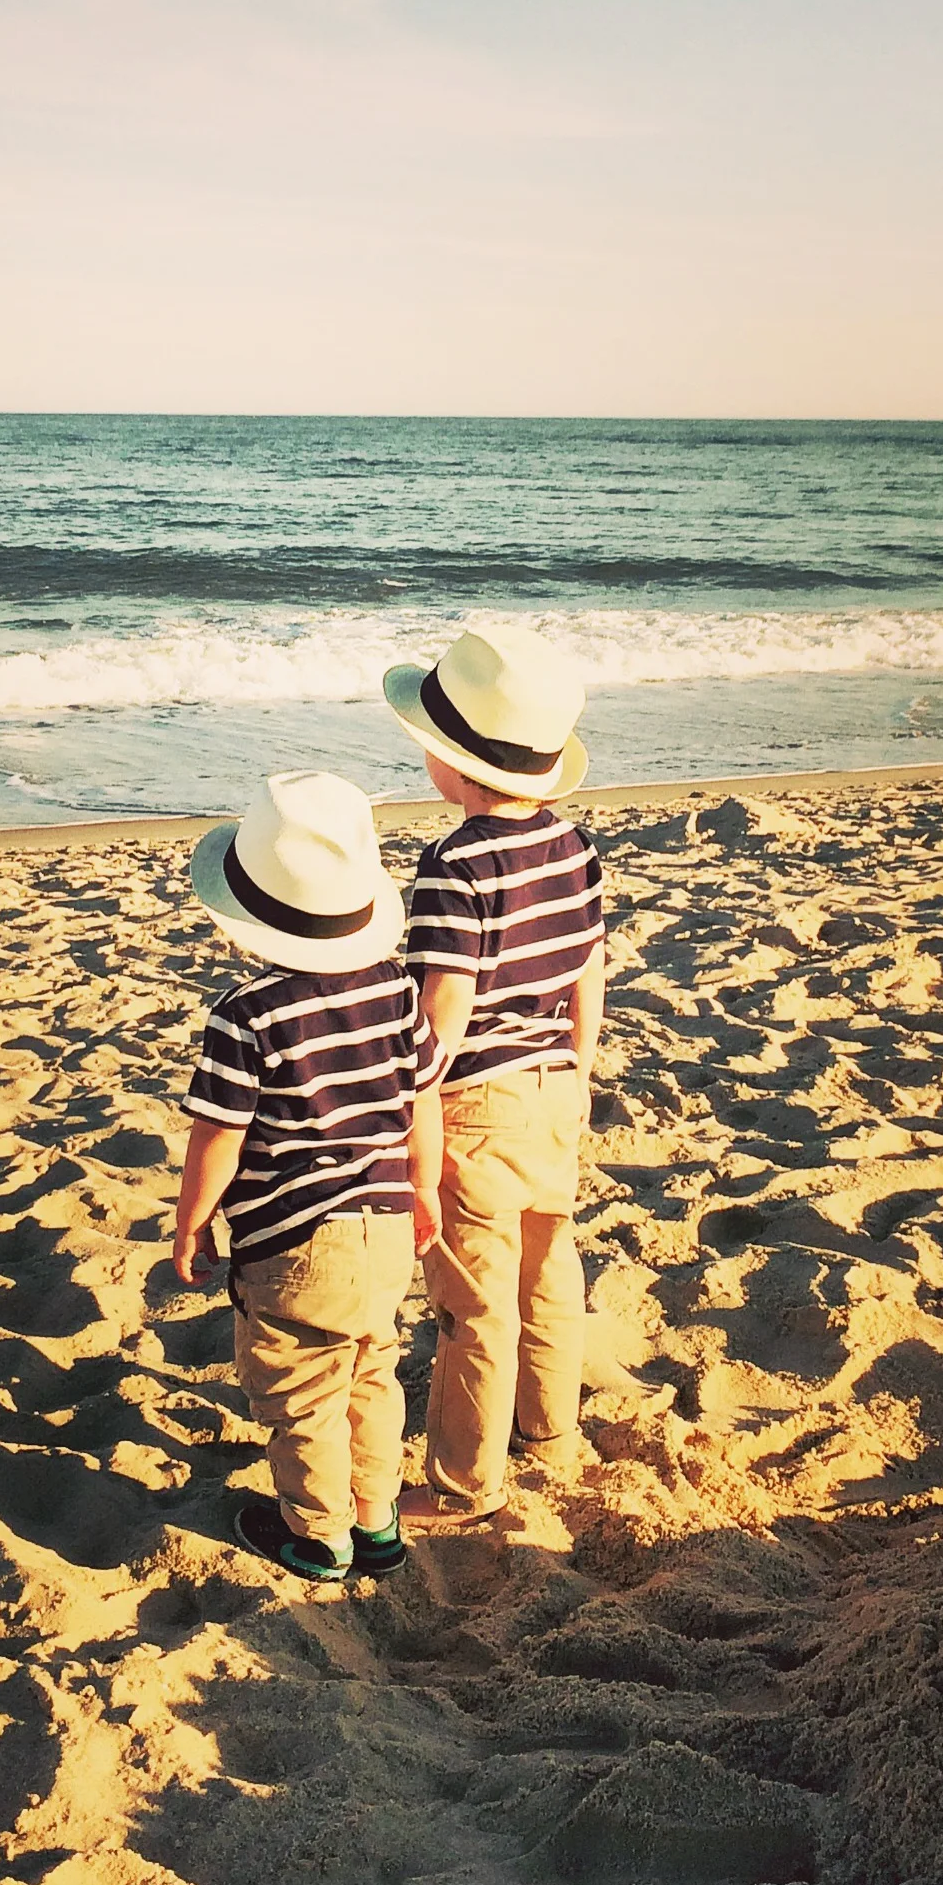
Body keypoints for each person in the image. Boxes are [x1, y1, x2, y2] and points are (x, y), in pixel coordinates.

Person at [171, 770, 445, 1583]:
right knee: (370, 1367)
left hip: (294, 1242)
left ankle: (319, 1537)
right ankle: (379, 1522)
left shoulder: (244, 1012)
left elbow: (217, 1135)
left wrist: (192, 1220)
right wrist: (422, 1186)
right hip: (387, 1222)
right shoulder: (395, 989)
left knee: (300, 1391)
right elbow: (420, 1098)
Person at [382, 624, 603, 1530]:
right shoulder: (574, 845)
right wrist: (578, 1070)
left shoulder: (453, 864)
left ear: (449, 762)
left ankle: (466, 1486)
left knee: (474, 1304)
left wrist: (411, 1100)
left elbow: (448, 1008)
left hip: (476, 1103)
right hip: (555, 1084)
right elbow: (588, 967)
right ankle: (549, 1435)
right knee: (549, 1272)